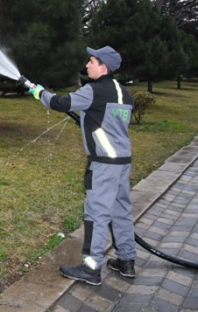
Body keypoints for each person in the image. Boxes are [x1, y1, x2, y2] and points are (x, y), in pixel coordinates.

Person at [28, 46, 136, 286]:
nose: (87, 65)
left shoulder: (93, 91)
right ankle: (127, 261)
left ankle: (91, 267)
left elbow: (59, 103)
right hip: (122, 162)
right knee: (121, 211)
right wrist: (89, 122)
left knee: (97, 214)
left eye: (91, 61)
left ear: (103, 67)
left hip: (103, 164)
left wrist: (39, 92)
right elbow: (109, 121)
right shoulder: (124, 93)